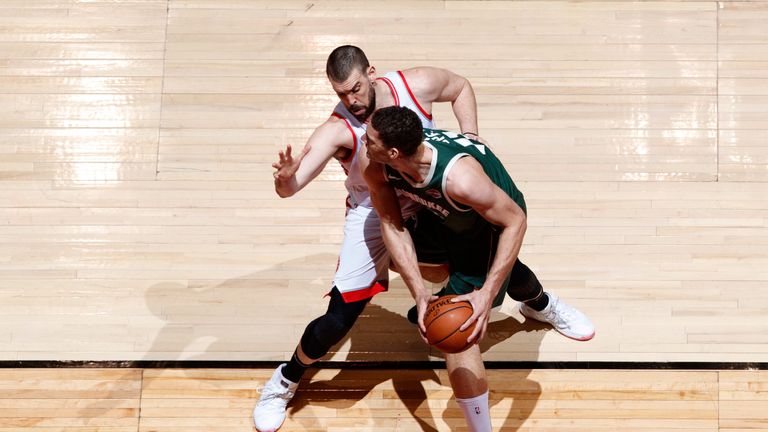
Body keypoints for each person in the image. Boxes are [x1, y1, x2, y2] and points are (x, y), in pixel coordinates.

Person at [253, 45, 483, 432]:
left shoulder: (415, 84)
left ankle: (539, 302)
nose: (351, 100)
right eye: (341, 93)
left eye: (356, 89)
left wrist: (472, 137)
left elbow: (461, 87)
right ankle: (285, 380)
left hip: (423, 194)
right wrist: (285, 178)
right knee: (339, 319)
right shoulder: (337, 129)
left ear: (371, 72)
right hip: (374, 211)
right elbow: (289, 190)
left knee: (487, 247)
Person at [363, 106, 595, 432]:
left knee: (461, 333)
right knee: (418, 269)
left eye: (369, 140)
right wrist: (419, 294)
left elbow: (516, 221)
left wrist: (485, 296)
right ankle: (538, 303)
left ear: (393, 151)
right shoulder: (378, 166)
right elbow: (392, 224)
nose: (363, 142)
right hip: (443, 215)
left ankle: (480, 429)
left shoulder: (462, 180)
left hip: (494, 220)